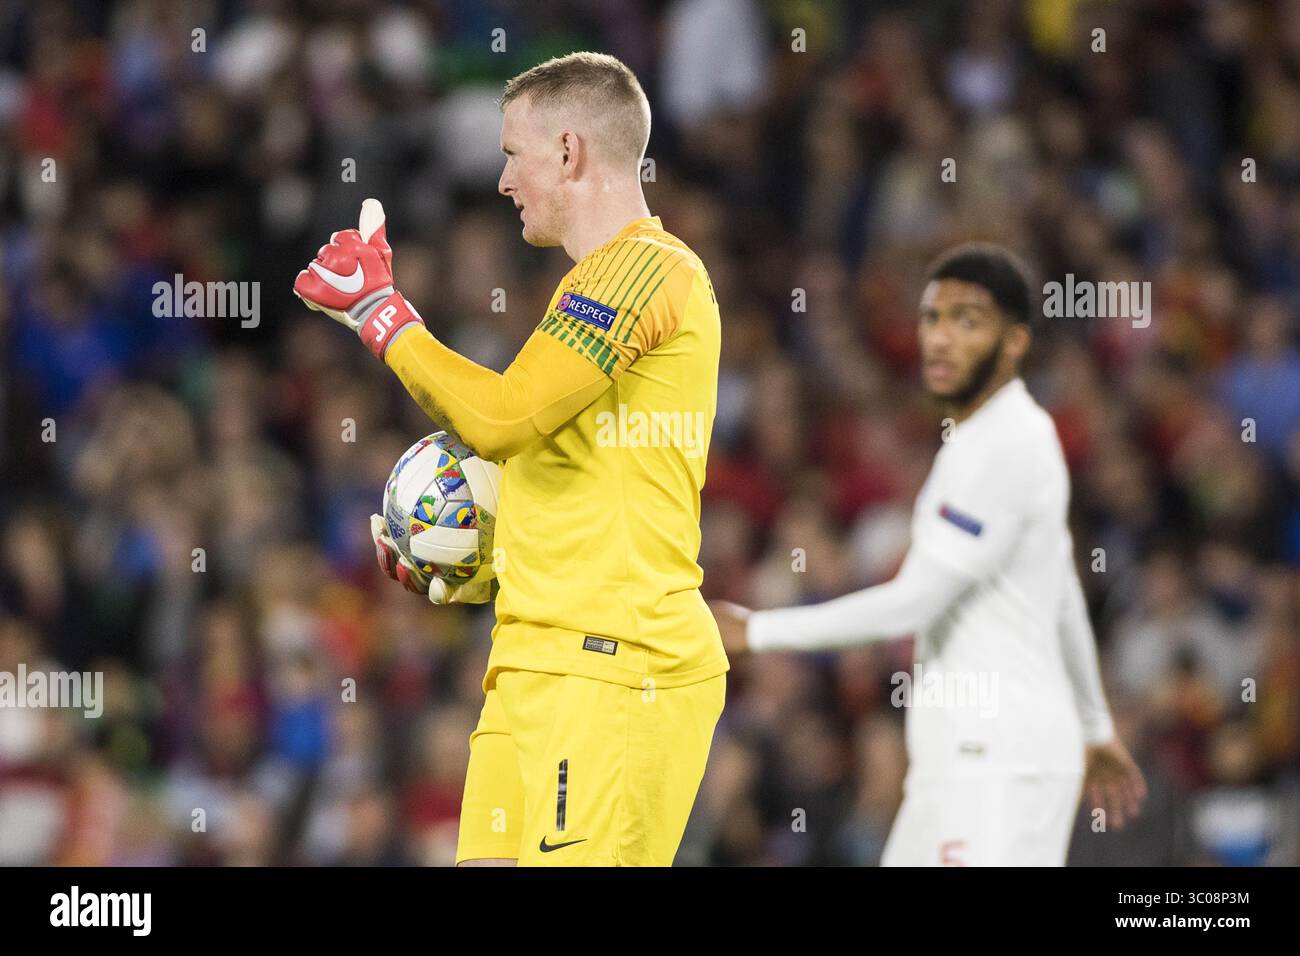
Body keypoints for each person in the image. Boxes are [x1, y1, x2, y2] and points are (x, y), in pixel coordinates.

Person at [292, 52, 726, 866]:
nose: (501, 180)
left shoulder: (650, 270)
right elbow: (554, 462)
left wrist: (384, 316)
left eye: (511, 153)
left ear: (568, 151)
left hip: (616, 665)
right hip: (527, 665)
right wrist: (456, 546)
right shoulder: (582, 290)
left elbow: (505, 419)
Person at [712, 244, 1146, 866]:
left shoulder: (1004, 448)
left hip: (998, 764)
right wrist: (1095, 727)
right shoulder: (990, 440)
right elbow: (1062, 594)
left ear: (1016, 341)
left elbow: (913, 602)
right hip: (955, 765)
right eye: (932, 318)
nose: (940, 339)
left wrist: (758, 628)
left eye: (967, 321)